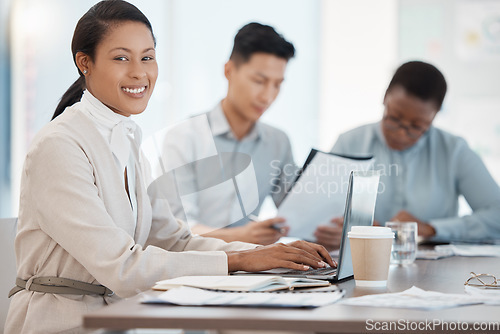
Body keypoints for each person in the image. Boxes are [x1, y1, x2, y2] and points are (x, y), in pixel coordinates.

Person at [4, 2, 333, 333]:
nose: (139, 72)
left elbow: (174, 240)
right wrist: (239, 260)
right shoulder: (59, 145)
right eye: (122, 58)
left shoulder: (126, 140)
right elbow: (122, 266)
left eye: (147, 57)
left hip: (118, 317)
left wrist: (268, 254)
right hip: (59, 322)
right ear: (84, 63)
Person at [314, 60, 500, 250]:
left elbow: (497, 214)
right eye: (394, 119)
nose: (401, 134)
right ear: (385, 98)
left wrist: (432, 229)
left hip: (434, 272)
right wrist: (346, 230)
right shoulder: (349, 142)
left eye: (416, 127)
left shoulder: (454, 150)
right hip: (361, 264)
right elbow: (317, 210)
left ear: (434, 117)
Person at [145, 22, 298, 245]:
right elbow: (175, 231)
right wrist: (241, 237)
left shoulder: (278, 142)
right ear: (229, 71)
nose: (268, 96)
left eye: (277, 84)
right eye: (259, 81)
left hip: (254, 269)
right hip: (196, 267)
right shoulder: (184, 138)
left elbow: (297, 215)